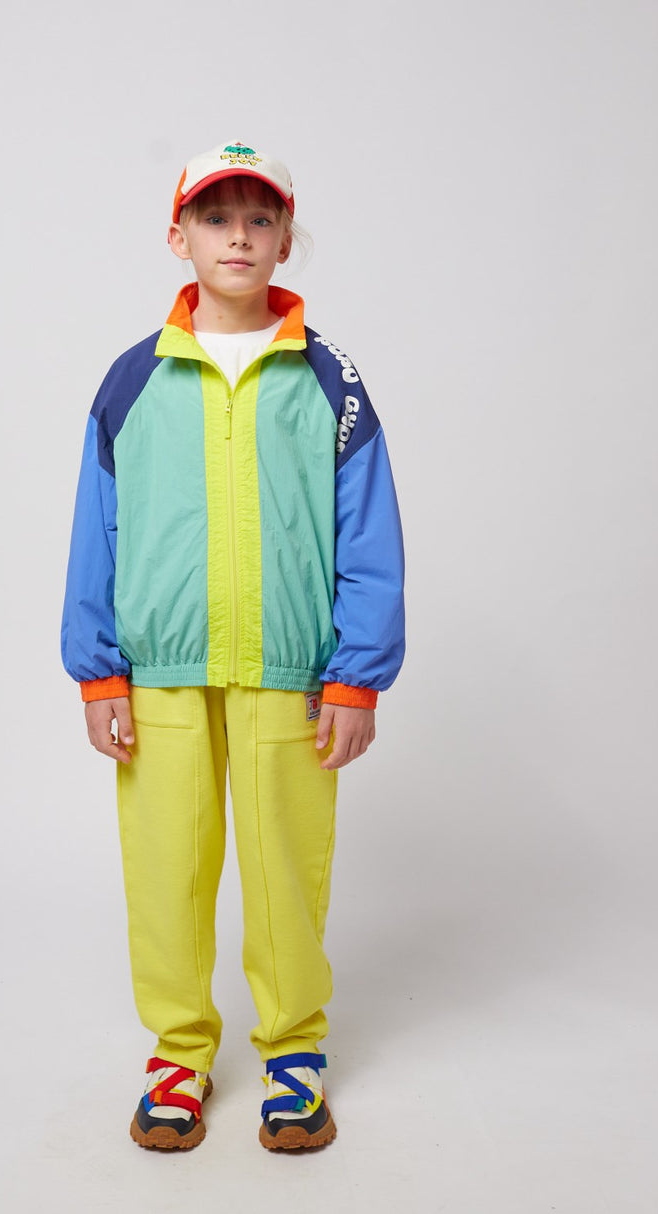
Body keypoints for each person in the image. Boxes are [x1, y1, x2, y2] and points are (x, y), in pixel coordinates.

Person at [61, 140, 405, 1152]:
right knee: (166, 869)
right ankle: (178, 1051)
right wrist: (97, 669)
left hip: (290, 675)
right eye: (217, 218)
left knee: (284, 869)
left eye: (260, 219)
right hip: (158, 672)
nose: (239, 237)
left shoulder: (329, 380)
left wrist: (356, 677)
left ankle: (293, 1050)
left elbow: (367, 530)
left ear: (286, 239)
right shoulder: (134, 379)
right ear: (179, 237)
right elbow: (96, 529)